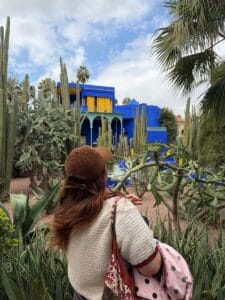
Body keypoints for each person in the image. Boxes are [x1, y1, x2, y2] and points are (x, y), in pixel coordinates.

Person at [52, 145, 162, 300]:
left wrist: (115, 201)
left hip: (80, 294)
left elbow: (93, 209)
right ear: (103, 175)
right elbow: (152, 267)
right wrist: (124, 210)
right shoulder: (121, 210)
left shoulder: (65, 209)